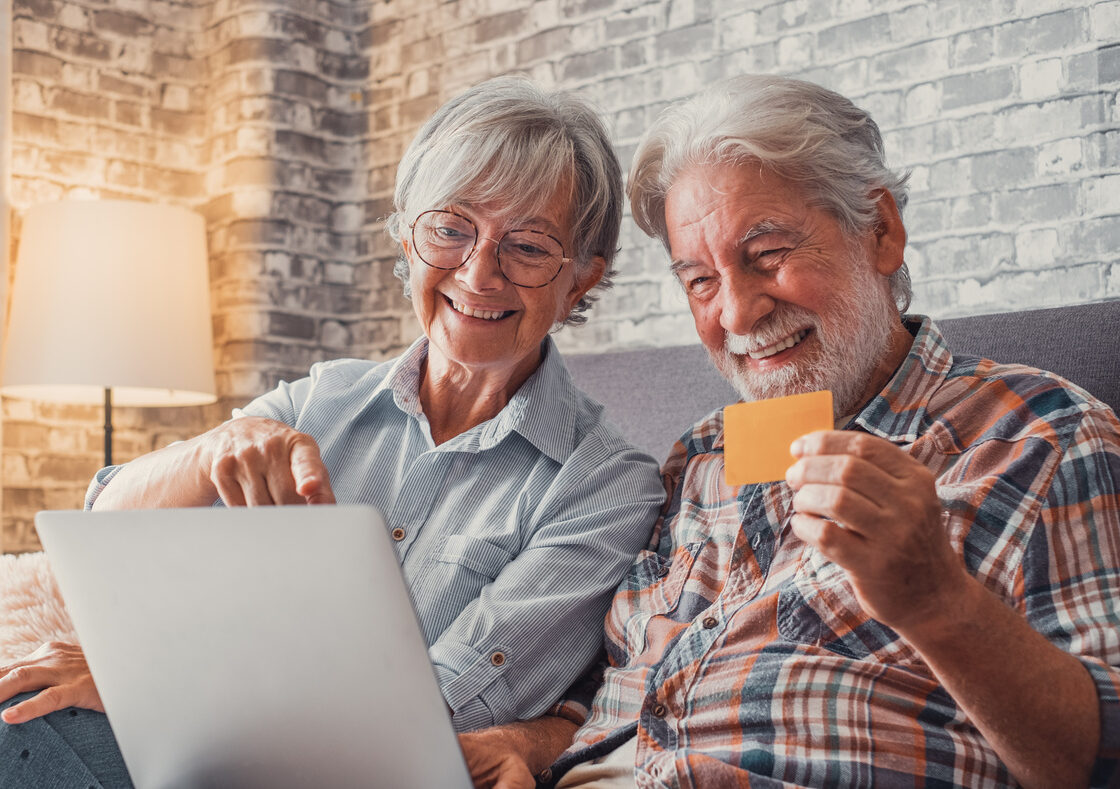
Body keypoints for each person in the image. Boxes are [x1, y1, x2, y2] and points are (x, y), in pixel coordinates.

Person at [0, 76, 665, 786]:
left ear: (583, 279)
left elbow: (435, 707)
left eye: (527, 247)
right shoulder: (323, 398)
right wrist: (208, 451)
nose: (478, 273)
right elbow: (103, 525)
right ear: (408, 236)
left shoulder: (605, 486)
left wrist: (151, 688)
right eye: (450, 228)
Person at [461, 74, 1120, 788]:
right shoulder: (702, 459)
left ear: (881, 230)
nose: (738, 315)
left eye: (767, 253)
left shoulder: (1039, 437)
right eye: (701, 281)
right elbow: (623, 684)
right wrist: (530, 743)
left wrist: (939, 603)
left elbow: (1101, 758)